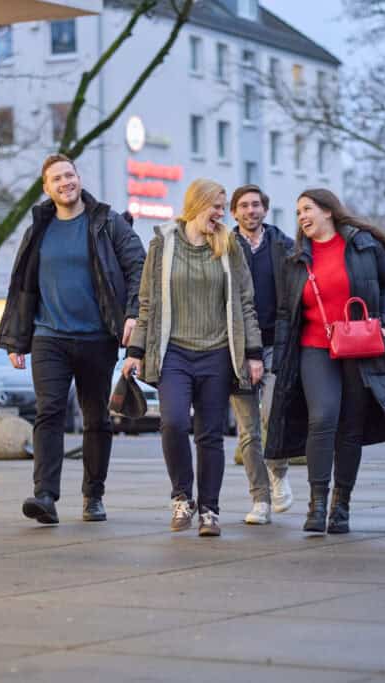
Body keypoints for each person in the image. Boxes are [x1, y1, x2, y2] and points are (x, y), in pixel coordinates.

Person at [0, 154, 145, 525]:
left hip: (97, 337)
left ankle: (93, 494)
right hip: (50, 336)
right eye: (56, 179)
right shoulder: (39, 227)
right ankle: (45, 495)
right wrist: (17, 338)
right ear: (46, 188)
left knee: (96, 417)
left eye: (70, 175)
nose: (65, 183)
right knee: (48, 410)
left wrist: (132, 313)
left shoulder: (107, 222)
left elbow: (138, 266)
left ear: (79, 178)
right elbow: (22, 285)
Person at [266, 188, 385, 534]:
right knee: (322, 417)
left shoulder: (363, 244)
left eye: (307, 209)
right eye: (298, 212)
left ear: (328, 211)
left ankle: (342, 505)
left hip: (359, 345)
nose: (302, 217)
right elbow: (283, 312)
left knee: (351, 426)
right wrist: (279, 360)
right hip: (314, 347)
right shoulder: (296, 258)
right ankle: (317, 502)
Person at [123, 178, 264, 537]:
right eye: (216, 206)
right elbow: (147, 303)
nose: (221, 214)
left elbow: (244, 302)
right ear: (196, 204)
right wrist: (135, 351)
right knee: (172, 422)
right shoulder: (163, 245)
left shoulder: (228, 246)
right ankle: (182, 497)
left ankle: (210, 510)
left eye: (222, 207)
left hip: (217, 352)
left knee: (210, 434)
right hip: (175, 353)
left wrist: (252, 352)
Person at [229, 184, 295, 524]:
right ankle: (260, 500)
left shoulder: (284, 246)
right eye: (244, 206)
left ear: (265, 210)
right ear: (234, 212)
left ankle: (278, 473)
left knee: (272, 415)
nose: (251, 211)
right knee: (248, 431)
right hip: (237, 349)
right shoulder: (224, 247)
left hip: (275, 346)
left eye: (256, 205)